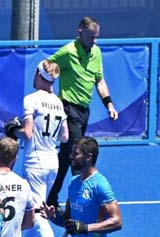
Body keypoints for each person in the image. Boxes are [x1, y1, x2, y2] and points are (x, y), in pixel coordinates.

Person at [45, 16, 118, 209]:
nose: (93, 41)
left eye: (96, 37)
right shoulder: (68, 51)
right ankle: (79, 198)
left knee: (66, 155)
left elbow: (99, 81)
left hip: (84, 110)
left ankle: (51, 196)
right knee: (79, 152)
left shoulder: (96, 52)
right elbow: (46, 66)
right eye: (90, 36)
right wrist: (49, 92)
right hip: (68, 108)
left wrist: (109, 104)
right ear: (80, 33)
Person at [15, 60, 70, 237]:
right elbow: (64, 136)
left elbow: (27, 133)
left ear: (39, 75)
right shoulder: (57, 102)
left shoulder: (31, 99)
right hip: (52, 162)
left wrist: (13, 130)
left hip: (34, 161)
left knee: (37, 213)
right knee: (34, 209)